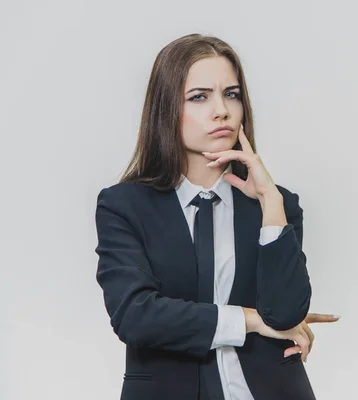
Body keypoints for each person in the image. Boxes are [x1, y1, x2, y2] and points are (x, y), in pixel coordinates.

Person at [94, 33, 339, 400]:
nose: (221, 110)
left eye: (231, 94)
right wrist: (251, 321)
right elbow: (136, 316)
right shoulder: (125, 206)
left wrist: (270, 202)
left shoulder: (277, 205)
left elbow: (286, 314)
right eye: (199, 97)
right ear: (166, 109)